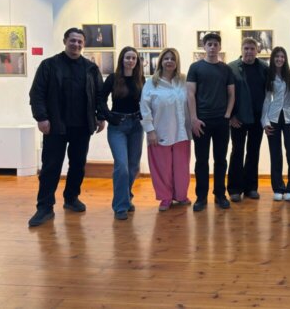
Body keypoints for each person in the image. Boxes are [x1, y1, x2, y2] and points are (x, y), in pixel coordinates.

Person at [28, 27, 106, 227]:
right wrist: (41, 118)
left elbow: (99, 94)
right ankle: (44, 207)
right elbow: (37, 93)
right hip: (55, 125)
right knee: (51, 166)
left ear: (83, 44)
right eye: (73, 40)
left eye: (80, 42)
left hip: (82, 125)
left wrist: (100, 117)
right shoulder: (49, 65)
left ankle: (71, 198)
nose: (76, 44)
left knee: (78, 164)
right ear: (65, 41)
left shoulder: (90, 68)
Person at [186, 32, 235, 211]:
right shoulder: (195, 67)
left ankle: (220, 195)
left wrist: (227, 115)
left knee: (220, 160)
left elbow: (232, 94)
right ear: (204, 47)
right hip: (201, 122)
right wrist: (193, 118)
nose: (213, 47)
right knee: (201, 161)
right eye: (209, 44)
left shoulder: (226, 69)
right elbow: (190, 94)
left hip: (221, 122)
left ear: (220, 47)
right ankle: (201, 197)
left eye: (215, 44)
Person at [140, 48, 192, 212]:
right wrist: (150, 130)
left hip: (182, 132)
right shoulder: (151, 83)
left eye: (172, 59)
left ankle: (181, 195)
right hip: (159, 132)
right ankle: (165, 198)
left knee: (181, 167)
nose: (169, 61)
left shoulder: (183, 81)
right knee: (162, 168)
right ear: (161, 61)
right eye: (166, 58)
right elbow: (144, 108)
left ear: (177, 62)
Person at [102, 47, 145, 220]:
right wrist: (108, 116)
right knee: (121, 166)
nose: (130, 61)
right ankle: (120, 206)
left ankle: (126, 197)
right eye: (128, 58)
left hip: (136, 126)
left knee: (133, 166)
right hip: (117, 126)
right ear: (122, 59)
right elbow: (100, 99)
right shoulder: (113, 78)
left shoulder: (140, 79)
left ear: (137, 61)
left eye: (134, 58)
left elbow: (146, 101)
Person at [227, 38, 268, 202]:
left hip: (258, 117)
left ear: (257, 50)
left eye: (252, 48)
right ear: (241, 49)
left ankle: (251, 187)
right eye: (246, 48)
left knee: (253, 151)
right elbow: (226, 94)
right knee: (237, 151)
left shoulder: (264, 68)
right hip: (238, 117)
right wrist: (231, 116)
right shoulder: (231, 68)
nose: (249, 51)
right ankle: (234, 189)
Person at [261, 47, 290, 201]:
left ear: (285, 58)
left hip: (289, 118)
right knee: (275, 154)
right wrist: (265, 121)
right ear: (272, 58)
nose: (279, 59)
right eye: (277, 56)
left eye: (282, 56)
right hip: (273, 118)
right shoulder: (268, 76)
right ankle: (278, 187)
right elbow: (266, 99)